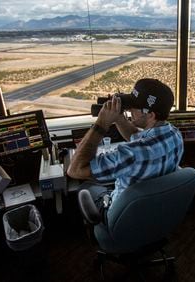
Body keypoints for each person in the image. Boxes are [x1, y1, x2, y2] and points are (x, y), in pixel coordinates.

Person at [67, 78, 184, 221]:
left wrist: (102, 123)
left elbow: (75, 170)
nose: (129, 109)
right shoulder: (175, 135)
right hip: (155, 210)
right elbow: (139, 139)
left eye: (134, 106)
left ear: (150, 114)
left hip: (124, 216)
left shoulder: (131, 155)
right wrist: (118, 119)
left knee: (86, 186)